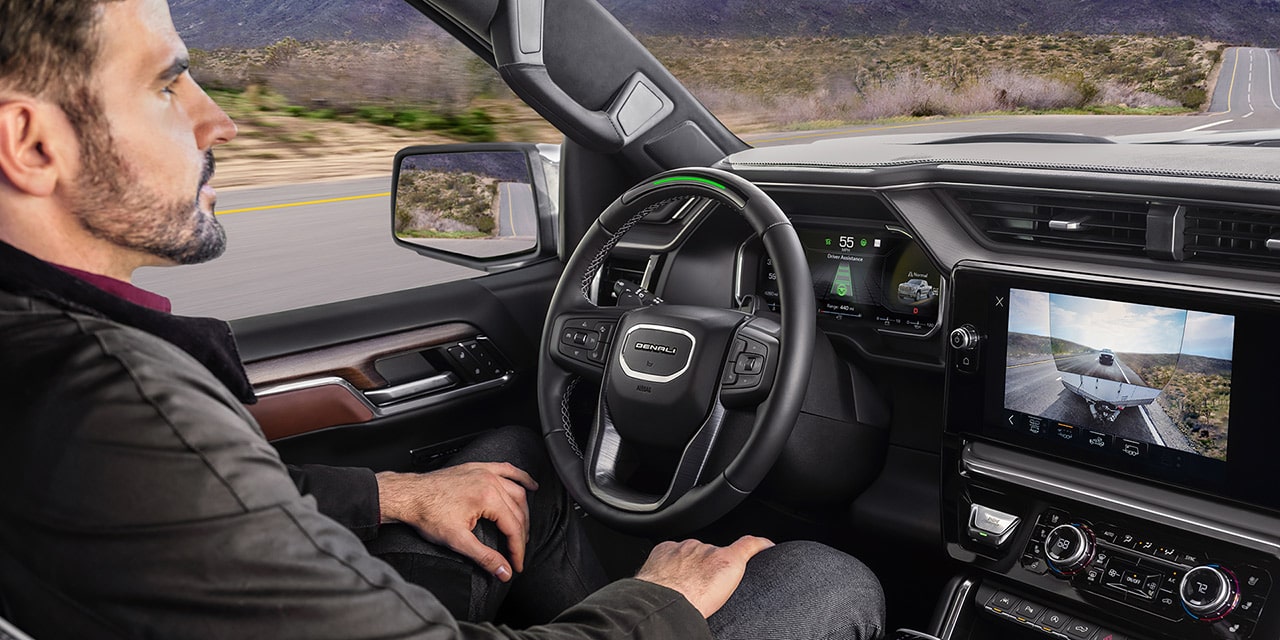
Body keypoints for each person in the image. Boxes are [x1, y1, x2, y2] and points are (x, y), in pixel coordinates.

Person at [0, 1, 886, 638]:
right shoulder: (114, 404)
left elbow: (202, 516)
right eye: (166, 85)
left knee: (514, 465)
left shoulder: (48, 356)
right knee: (820, 576)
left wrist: (395, 493)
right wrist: (660, 602)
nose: (217, 120)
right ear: (32, 143)